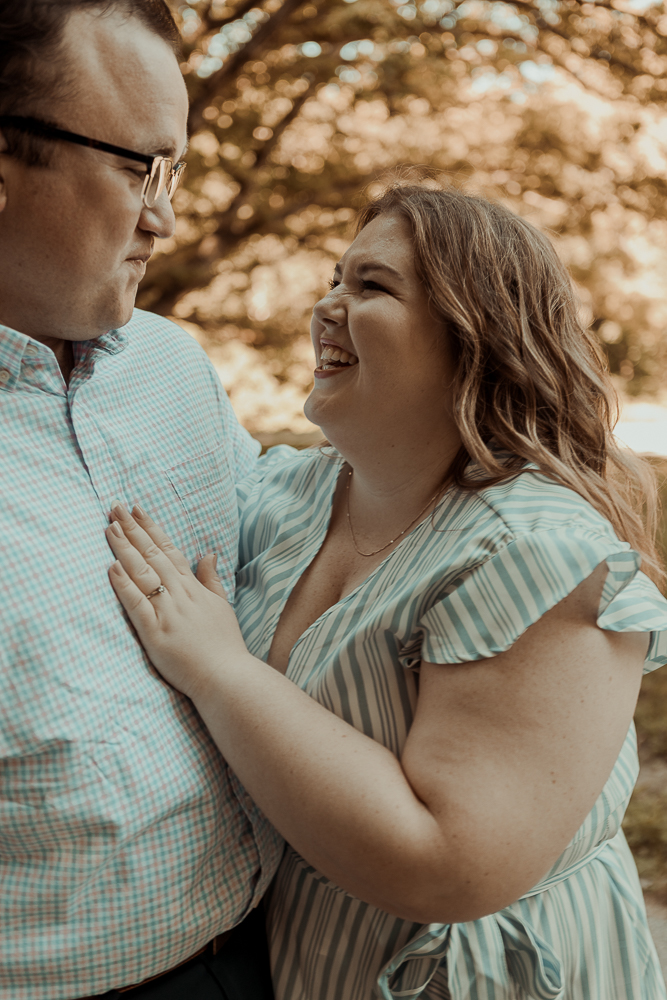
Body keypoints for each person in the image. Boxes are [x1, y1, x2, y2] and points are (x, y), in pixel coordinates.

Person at [106, 184, 667, 1000]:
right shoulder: (288, 495)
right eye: (334, 279)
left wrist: (220, 670)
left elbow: (452, 865)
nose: (327, 307)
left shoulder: (537, 554)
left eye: (371, 287)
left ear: (475, 337)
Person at [0, 2, 283, 998]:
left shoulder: (172, 366)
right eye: (137, 168)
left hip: (264, 956)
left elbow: (308, 537)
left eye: (173, 172)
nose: (164, 216)